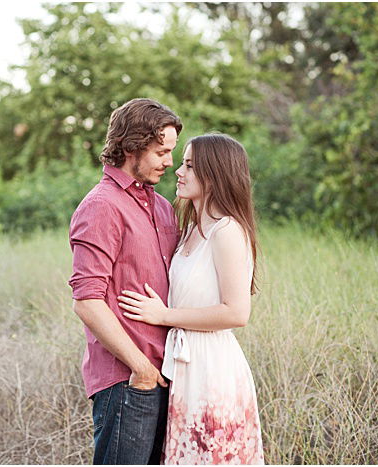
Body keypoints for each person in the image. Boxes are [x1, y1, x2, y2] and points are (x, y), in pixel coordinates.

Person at [117, 133, 265, 464]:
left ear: (214, 174)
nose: (178, 172)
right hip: (185, 368)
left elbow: (237, 313)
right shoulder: (191, 229)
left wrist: (163, 315)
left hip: (213, 367)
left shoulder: (227, 230)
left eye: (189, 165)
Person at [68, 98, 182, 464]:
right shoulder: (102, 206)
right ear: (133, 146)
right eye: (161, 151)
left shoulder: (161, 206)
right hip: (128, 380)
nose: (169, 162)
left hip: (168, 376)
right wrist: (141, 368)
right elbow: (87, 301)